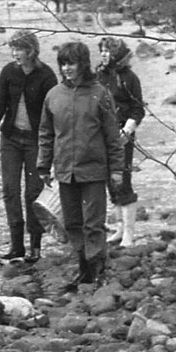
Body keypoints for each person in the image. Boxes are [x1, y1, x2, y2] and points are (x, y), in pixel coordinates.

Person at [36, 40, 121, 290]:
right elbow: (46, 134)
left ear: (83, 64)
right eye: (63, 64)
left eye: (71, 63)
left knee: (93, 223)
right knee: (72, 222)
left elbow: (112, 135)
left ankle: (97, 269)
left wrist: (117, 170)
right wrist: (43, 166)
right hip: (65, 170)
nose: (66, 69)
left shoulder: (100, 94)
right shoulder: (53, 95)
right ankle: (84, 267)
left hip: (94, 170)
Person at [0, 29, 59, 263]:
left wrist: (55, 148)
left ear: (31, 51)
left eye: (19, 49)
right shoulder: (8, 72)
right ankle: (16, 246)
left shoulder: (46, 76)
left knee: (33, 192)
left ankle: (35, 247)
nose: (14, 54)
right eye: (12, 49)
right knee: (10, 190)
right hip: (10, 139)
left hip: (36, 141)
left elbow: (54, 113)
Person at [96, 35, 148, 247]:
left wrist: (126, 132)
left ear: (117, 54)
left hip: (123, 135)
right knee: (109, 181)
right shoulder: (99, 75)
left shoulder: (130, 78)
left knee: (123, 180)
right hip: (102, 134)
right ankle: (119, 228)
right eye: (101, 51)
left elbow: (138, 110)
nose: (103, 54)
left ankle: (129, 234)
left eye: (107, 51)